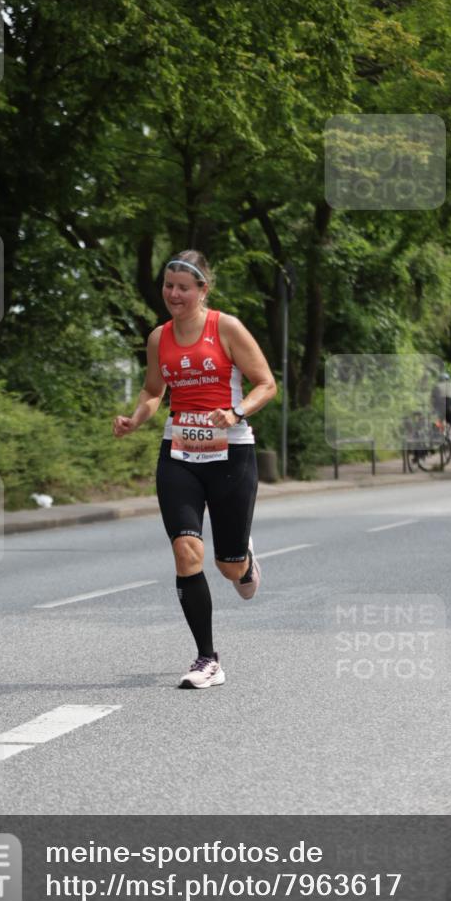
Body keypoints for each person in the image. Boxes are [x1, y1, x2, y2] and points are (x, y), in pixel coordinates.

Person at [113, 250, 277, 689]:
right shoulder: (158, 338)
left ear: (203, 290)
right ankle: (207, 659)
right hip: (179, 453)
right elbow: (153, 391)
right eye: (168, 286)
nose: (174, 294)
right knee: (186, 551)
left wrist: (237, 411)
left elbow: (266, 383)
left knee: (227, 565)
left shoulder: (226, 328)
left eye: (184, 287)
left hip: (230, 453)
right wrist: (136, 419)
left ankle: (243, 561)